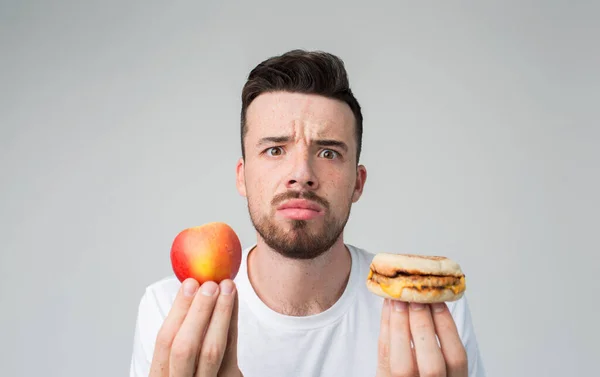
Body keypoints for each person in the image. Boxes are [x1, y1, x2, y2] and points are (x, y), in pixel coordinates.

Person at [129, 49, 486, 377]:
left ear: (358, 183)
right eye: (274, 150)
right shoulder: (171, 311)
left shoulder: (428, 311)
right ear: (242, 176)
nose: (302, 174)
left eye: (328, 153)